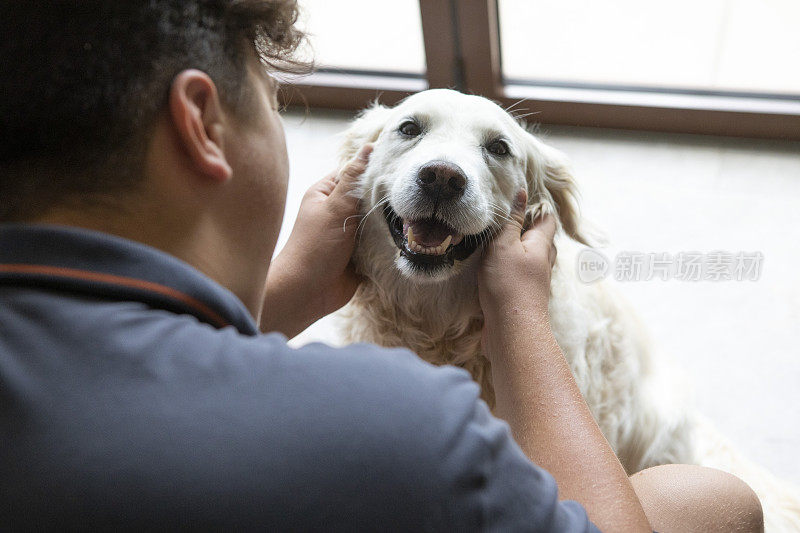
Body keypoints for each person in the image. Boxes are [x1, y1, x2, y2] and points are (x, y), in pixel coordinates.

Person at [0, 1, 763, 531]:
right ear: (202, 122)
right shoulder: (394, 423)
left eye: (492, 150)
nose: (443, 169)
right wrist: (521, 313)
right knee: (716, 501)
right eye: (272, 100)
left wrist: (286, 294)